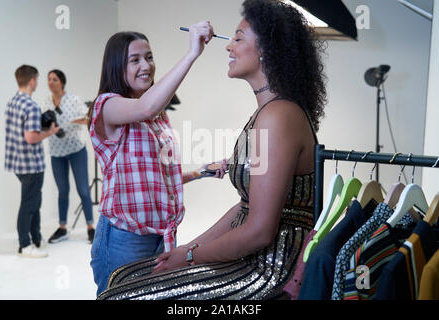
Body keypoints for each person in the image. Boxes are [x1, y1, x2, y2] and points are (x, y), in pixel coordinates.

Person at [97, 0, 327, 300]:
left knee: (122, 294)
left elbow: (258, 230)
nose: (229, 46)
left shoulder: (277, 115)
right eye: (134, 60)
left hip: (269, 268)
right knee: (123, 278)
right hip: (125, 233)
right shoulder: (269, 113)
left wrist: (190, 255)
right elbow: (244, 210)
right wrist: (188, 250)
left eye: (238, 38)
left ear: (266, 50)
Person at [88, 21, 227, 296]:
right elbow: (146, 105)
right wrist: (192, 54)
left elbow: (156, 174)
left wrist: (200, 173)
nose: (146, 66)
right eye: (135, 60)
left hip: (160, 236)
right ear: (117, 66)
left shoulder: (159, 116)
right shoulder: (107, 106)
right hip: (124, 238)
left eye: (149, 57)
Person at [5, 65, 60, 258]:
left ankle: (36, 239)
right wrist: (49, 132)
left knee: (34, 200)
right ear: (31, 81)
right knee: (30, 203)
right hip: (31, 163)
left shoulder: (13, 102)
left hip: (17, 162)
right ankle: (24, 245)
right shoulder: (30, 105)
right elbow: (30, 137)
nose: (37, 82)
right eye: (37, 79)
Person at [44, 69, 95, 244]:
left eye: (54, 79)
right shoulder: (46, 102)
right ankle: (62, 228)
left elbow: (88, 117)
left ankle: (90, 227)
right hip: (56, 151)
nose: (51, 82)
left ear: (62, 82)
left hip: (76, 149)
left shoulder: (73, 99)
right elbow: (44, 123)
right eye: (49, 79)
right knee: (62, 191)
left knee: (83, 190)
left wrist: (71, 121)